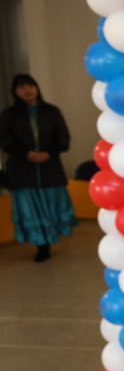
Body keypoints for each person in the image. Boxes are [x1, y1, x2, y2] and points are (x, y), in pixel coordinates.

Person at [0, 74, 77, 261]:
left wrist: (48, 153)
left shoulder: (52, 111)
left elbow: (64, 139)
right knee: (30, 208)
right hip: (22, 169)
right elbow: (5, 141)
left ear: (36, 88)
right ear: (15, 92)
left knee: (52, 205)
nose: (27, 90)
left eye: (30, 86)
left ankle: (50, 239)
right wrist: (27, 154)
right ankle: (42, 245)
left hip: (50, 167)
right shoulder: (9, 114)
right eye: (21, 87)